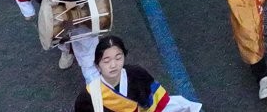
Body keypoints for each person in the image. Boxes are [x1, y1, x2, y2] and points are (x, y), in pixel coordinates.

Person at [73, 35, 202, 112]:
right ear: (97, 64)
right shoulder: (88, 96)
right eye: (106, 61)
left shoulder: (136, 73)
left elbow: (157, 104)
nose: (113, 65)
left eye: (118, 58)